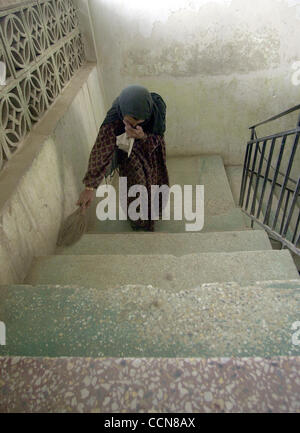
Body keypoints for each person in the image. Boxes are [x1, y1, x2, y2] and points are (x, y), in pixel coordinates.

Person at [76, 85, 169, 231]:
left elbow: (159, 138)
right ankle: (139, 223)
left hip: (152, 151)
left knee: (155, 181)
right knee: (137, 186)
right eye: (129, 121)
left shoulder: (157, 106)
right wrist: (90, 187)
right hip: (128, 153)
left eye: (139, 121)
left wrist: (142, 136)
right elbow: (101, 151)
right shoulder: (115, 116)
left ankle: (154, 213)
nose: (134, 125)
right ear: (123, 113)